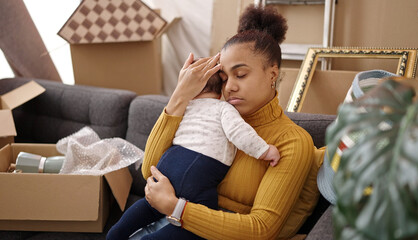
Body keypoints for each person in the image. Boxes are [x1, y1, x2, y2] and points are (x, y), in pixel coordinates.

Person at [141, 4, 320, 240]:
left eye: (241, 75)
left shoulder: (291, 141)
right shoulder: (212, 117)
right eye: (224, 78)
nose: (229, 87)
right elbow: (150, 171)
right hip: (166, 223)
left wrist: (177, 209)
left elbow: (262, 229)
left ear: (272, 74)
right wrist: (178, 97)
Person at [107, 64, 281, 240]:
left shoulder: (184, 108)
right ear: (220, 92)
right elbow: (239, 133)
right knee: (198, 223)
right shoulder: (223, 108)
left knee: (148, 206)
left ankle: (116, 233)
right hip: (196, 173)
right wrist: (264, 151)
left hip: (167, 166)